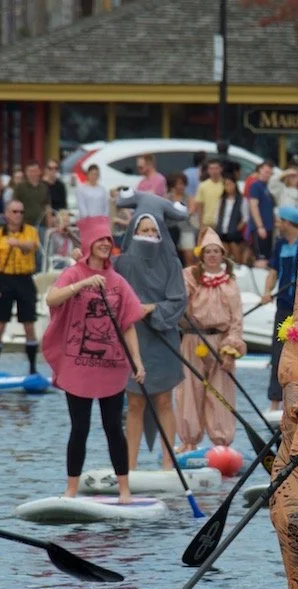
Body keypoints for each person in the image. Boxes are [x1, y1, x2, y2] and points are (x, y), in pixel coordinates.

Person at [43, 216, 146, 502]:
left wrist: (138, 362)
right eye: (100, 240)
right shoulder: (74, 273)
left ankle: (124, 490)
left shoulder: (118, 282)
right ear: (89, 243)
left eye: (108, 241)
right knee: (80, 428)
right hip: (78, 366)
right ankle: (71, 490)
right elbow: (52, 299)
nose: (104, 244)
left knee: (113, 427)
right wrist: (83, 283)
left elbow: (128, 325)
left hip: (111, 366)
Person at [112, 192, 189, 471]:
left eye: (152, 230)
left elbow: (178, 300)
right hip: (132, 338)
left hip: (162, 336)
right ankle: (130, 467)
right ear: (133, 232)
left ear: (161, 234)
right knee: (134, 403)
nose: (147, 235)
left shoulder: (172, 263)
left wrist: (152, 309)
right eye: (143, 230)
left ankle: (168, 464)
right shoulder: (121, 264)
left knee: (164, 400)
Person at [176, 229, 246, 451]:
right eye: (208, 251)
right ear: (202, 254)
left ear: (222, 255)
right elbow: (178, 300)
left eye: (216, 251)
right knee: (190, 390)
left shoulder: (230, 284)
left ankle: (221, 441)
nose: (212, 255)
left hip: (220, 343)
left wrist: (230, 349)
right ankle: (189, 441)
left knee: (220, 392)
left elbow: (236, 320)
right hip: (192, 340)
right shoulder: (190, 277)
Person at [0, 199, 41, 378]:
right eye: (15, 212)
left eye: (21, 212)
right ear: (7, 214)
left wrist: (17, 243)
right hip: (5, 280)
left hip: (25, 280)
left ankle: (32, 368)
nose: (19, 215)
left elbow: (32, 246)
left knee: (29, 325)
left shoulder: (30, 231)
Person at [262, 205, 298, 414]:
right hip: (283, 306)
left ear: (287, 222)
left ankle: (296, 400)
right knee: (278, 354)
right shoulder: (280, 244)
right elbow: (273, 272)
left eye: (279, 221)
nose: (277, 224)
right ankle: (275, 402)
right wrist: (267, 292)